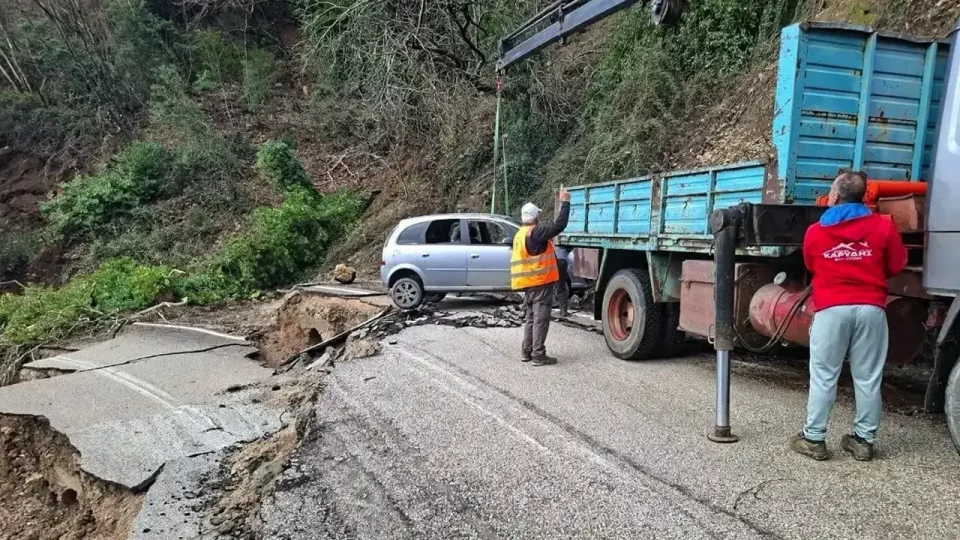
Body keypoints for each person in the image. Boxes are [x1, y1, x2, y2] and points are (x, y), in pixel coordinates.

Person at [791, 171, 907, 462]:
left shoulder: (816, 231)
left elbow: (810, 263)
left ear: (835, 196)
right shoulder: (882, 228)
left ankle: (814, 438)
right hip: (871, 308)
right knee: (868, 378)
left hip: (831, 309)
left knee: (824, 377)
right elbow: (896, 264)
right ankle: (863, 440)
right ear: (864, 196)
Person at [512, 190, 570, 366]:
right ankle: (538, 355)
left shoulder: (521, 233)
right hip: (540, 283)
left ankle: (526, 352)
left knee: (531, 318)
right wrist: (565, 203)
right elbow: (559, 226)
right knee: (541, 319)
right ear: (536, 216)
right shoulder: (537, 233)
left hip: (527, 284)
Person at [554, 246, 571, 318]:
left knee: (542, 287)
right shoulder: (563, 239)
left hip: (551, 261)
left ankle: (525, 309)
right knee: (561, 286)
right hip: (561, 261)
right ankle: (563, 311)